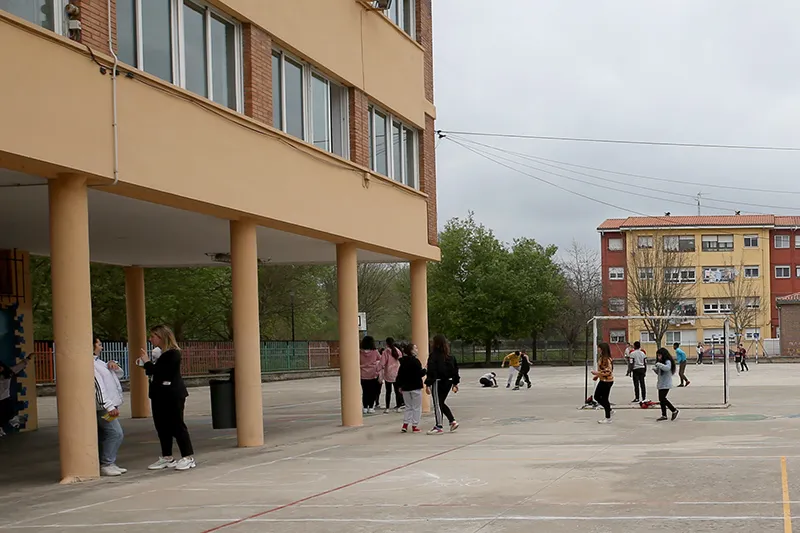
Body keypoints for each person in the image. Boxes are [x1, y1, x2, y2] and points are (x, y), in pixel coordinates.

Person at [136, 325, 196, 471]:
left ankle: (188, 457)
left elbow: (160, 372)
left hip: (172, 394)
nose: (150, 339)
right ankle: (167, 456)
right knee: (162, 427)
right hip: (158, 395)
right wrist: (146, 364)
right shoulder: (161, 354)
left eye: (153, 336)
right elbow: (154, 372)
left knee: (177, 425)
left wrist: (147, 361)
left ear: (161, 337)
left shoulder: (173, 354)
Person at [92, 338, 126, 476]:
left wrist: (114, 365)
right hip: (103, 407)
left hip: (108, 405)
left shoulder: (99, 362)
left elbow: (118, 374)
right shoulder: (91, 364)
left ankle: (106, 462)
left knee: (105, 434)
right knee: (115, 433)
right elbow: (98, 387)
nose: (102, 347)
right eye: (99, 345)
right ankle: (107, 463)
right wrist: (109, 406)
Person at [425, 334, 460, 434]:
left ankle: (438, 426)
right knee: (441, 403)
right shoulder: (450, 356)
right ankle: (452, 421)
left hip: (437, 382)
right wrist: (455, 383)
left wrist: (428, 384)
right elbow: (455, 370)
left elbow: (431, 371)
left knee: (437, 403)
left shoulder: (433, 356)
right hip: (448, 382)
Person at [396, 343, 426, 433]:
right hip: (415, 387)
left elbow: (400, 375)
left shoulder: (402, 362)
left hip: (405, 387)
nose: (417, 349)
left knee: (408, 407)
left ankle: (405, 425)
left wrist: (400, 385)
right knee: (416, 407)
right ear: (412, 351)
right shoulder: (416, 361)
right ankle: (414, 425)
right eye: (415, 348)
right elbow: (420, 374)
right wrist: (425, 370)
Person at [0, 356, 30, 437]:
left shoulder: (8, 372)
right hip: (4, 398)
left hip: (4, 398)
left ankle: (11, 420)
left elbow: (18, 367)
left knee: (7, 412)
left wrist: (27, 359)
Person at [653, 347, 679, 421]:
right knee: (661, 400)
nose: (659, 357)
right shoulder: (661, 363)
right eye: (658, 356)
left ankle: (674, 410)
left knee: (663, 398)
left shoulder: (668, 361)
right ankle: (664, 415)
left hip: (666, 384)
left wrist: (659, 364)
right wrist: (655, 369)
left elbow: (667, 368)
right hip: (661, 384)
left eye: (660, 355)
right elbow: (659, 373)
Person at [591, 342, 614, 424]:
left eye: (599, 348)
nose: (598, 349)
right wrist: (597, 376)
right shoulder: (602, 358)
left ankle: (608, 416)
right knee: (600, 397)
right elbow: (601, 370)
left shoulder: (607, 359)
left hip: (607, 381)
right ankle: (609, 411)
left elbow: (608, 371)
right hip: (603, 380)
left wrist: (597, 373)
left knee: (600, 397)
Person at [359, 336, 382, 414]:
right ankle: (371, 407)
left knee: (365, 391)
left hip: (363, 374)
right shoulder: (375, 352)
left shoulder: (359, 352)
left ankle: (365, 407)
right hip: (373, 374)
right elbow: (380, 359)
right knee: (372, 392)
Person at [381, 337, 404, 413]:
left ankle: (387, 408)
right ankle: (399, 406)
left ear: (386, 343)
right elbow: (401, 361)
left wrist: (378, 369)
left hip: (388, 373)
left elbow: (382, 363)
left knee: (388, 391)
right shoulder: (398, 351)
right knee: (397, 391)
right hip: (397, 373)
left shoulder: (385, 352)